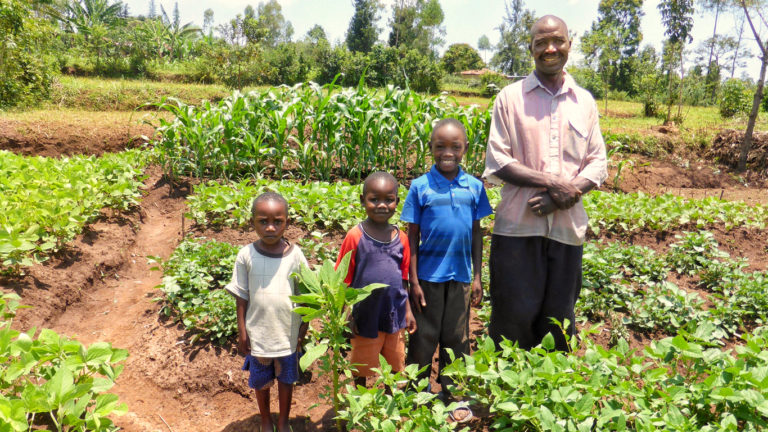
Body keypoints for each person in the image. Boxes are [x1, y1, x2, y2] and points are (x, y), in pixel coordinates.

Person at [483, 15, 608, 351]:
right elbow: (499, 161)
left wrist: (565, 196)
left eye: (557, 41)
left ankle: (550, 396)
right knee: (512, 315)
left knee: (559, 318)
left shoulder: (585, 102)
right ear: (531, 49)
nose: (550, 49)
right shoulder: (509, 99)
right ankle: (507, 395)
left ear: (569, 44)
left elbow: (598, 162)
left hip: (567, 229)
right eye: (541, 43)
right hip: (517, 229)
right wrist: (556, 183)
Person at [401, 118, 493, 397]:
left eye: (455, 146)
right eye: (440, 146)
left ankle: (453, 392)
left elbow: (477, 234)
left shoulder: (474, 187)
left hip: (461, 277)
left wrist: (477, 277)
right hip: (427, 277)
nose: (447, 152)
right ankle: (417, 391)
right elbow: (411, 237)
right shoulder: (420, 187)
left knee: (457, 338)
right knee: (423, 336)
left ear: (465, 148)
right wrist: (412, 281)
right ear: (430, 148)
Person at [226, 192, 309, 432]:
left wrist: (303, 329)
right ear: (252, 222)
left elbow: (306, 294)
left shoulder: (295, 255)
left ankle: (283, 421)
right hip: (259, 333)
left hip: (287, 332)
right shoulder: (246, 255)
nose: (270, 227)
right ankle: (265, 419)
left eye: (277, 221)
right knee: (261, 380)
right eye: (263, 221)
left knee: (286, 378)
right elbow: (241, 296)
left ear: (287, 222)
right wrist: (242, 331)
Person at [336, 171, 417, 383]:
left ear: (397, 202)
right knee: (362, 364)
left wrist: (408, 310)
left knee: (395, 364)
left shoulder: (402, 238)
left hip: (395, 313)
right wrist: (346, 313)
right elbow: (343, 277)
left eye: (389, 200)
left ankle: (391, 402)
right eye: (374, 199)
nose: (382, 205)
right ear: (363, 200)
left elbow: (403, 279)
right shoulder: (356, 236)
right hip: (365, 314)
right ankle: (361, 402)